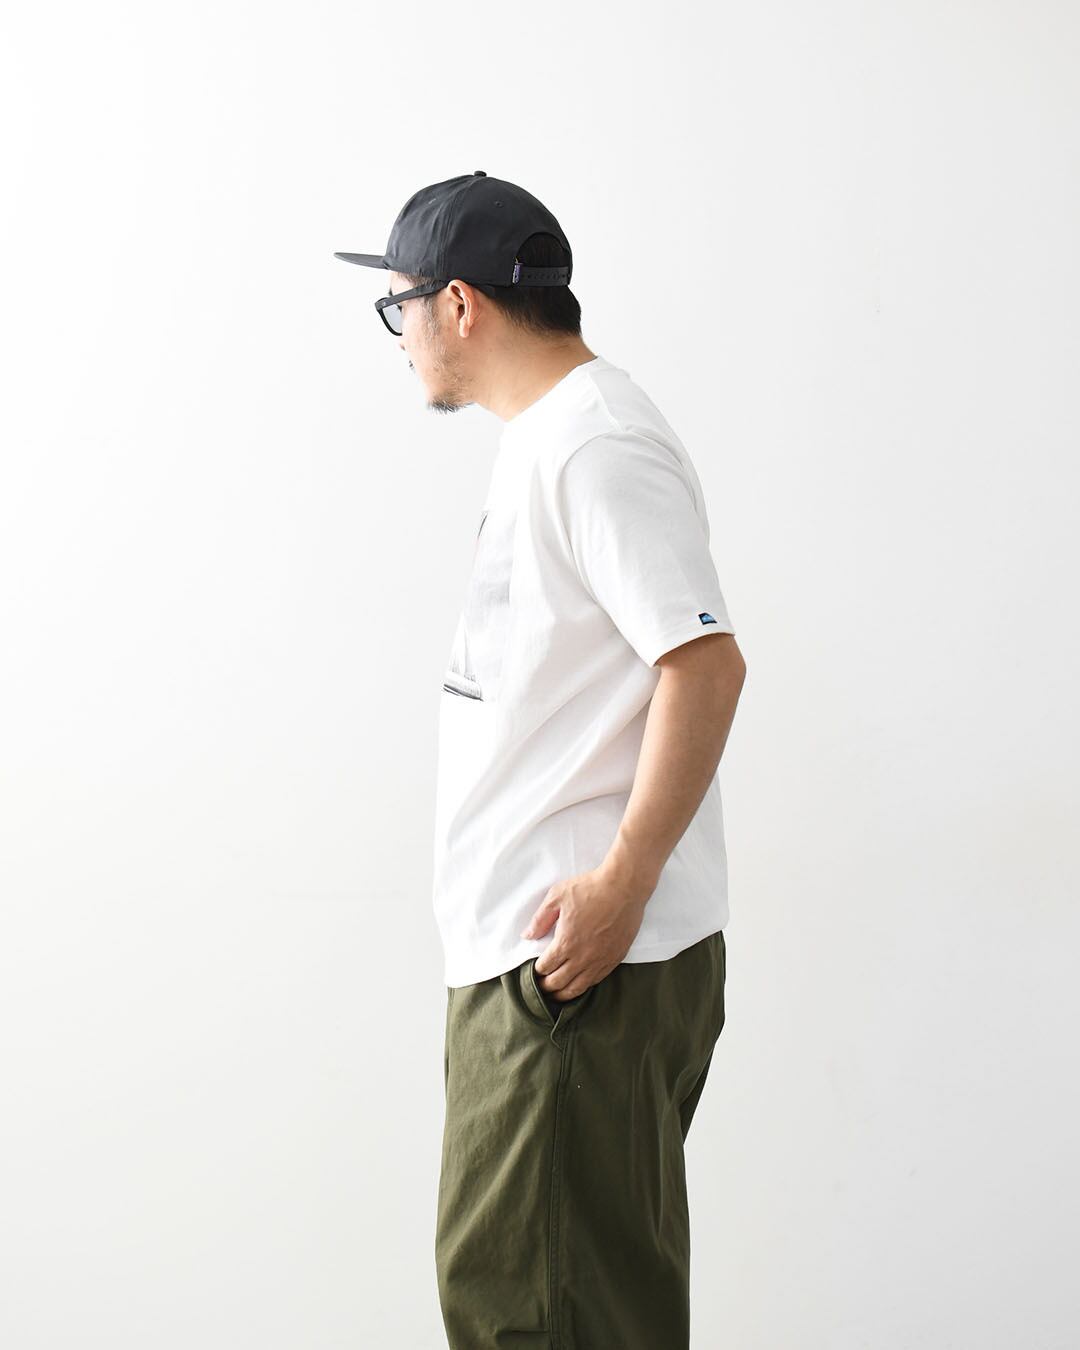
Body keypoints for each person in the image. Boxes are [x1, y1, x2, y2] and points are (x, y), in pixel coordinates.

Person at [335, 170, 747, 1349]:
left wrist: (623, 882)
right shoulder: (553, 437)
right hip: (544, 968)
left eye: (401, 306)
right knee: (538, 1301)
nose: (401, 335)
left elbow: (705, 664)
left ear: (459, 304)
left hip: (570, 972)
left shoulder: (594, 445)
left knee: (545, 1317)